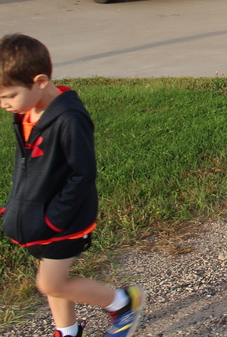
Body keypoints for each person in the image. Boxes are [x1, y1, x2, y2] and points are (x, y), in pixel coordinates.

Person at [0, 34, 145, 337]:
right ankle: (67, 331)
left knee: (50, 282)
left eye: (8, 96)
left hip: (65, 219)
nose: (4, 104)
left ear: (39, 81)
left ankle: (122, 303)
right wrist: (18, 204)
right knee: (51, 277)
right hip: (40, 214)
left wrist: (53, 217)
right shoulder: (28, 112)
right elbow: (32, 170)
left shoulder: (69, 119)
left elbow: (82, 174)